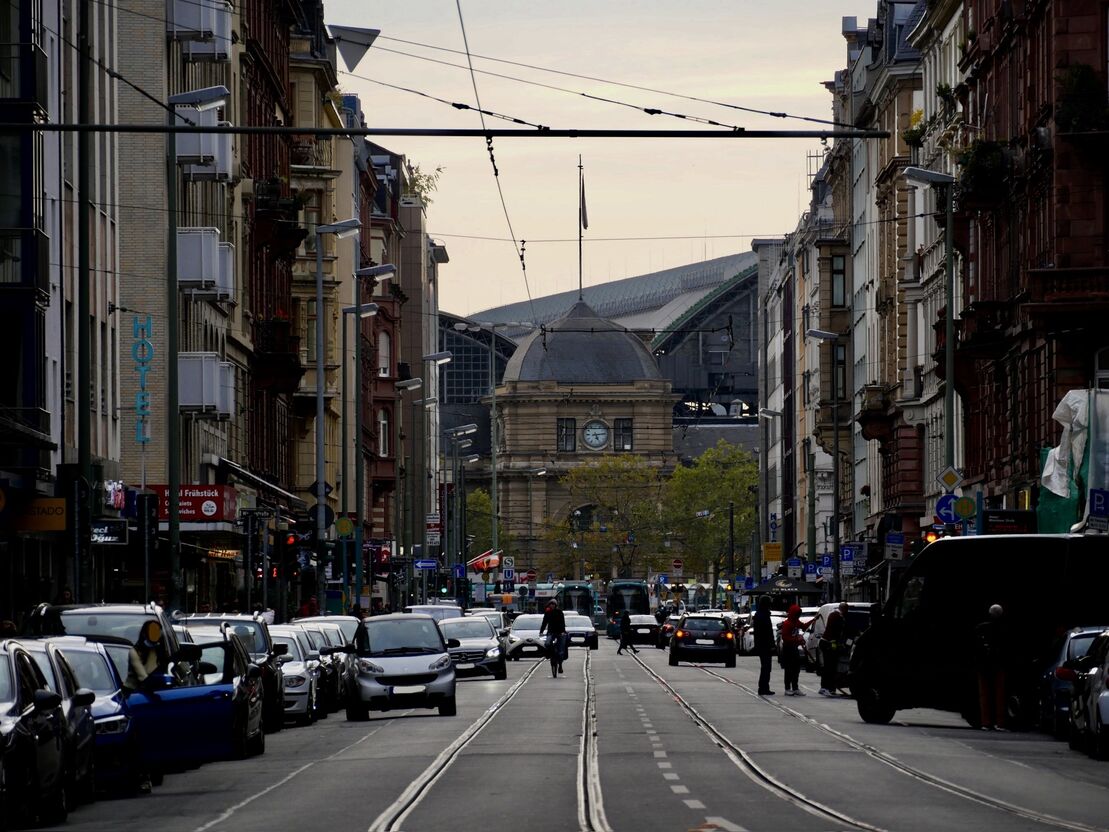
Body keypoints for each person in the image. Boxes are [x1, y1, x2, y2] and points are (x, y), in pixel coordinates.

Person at [974, 603, 1010, 731]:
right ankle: (999, 723)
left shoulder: (981, 628)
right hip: (999, 665)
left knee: (984, 695)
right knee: (1000, 695)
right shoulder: (1004, 629)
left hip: (983, 665)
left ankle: (986, 722)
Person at [124, 620, 168, 691]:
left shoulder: (162, 650)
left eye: (158, 631)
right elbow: (142, 677)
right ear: (145, 633)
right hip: (134, 692)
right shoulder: (135, 651)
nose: (155, 634)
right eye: (152, 631)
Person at [819, 602, 849, 696]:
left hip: (828, 643)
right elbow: (835, 631)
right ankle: (825, 687)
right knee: (829, 667)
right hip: (828, 643)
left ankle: (829, 687)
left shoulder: (835, 615)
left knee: (830, 666)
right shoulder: (836, 616)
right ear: (844, 609)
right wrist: (836, 643)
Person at [778, 603, 809, 696]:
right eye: (797, 614)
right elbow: (785, 637)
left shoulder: (796, 622)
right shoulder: (787, 624)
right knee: (789, 669)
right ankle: (787, 688)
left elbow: (804, 627)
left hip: (794, 648)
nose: (798, 616)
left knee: (796, 668)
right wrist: (797, 639)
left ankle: (795, 687)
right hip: (788, 648)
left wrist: (814, 620)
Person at [753, 595, 775, 695]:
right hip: (764, 645)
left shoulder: (760, 614)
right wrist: (771, 644)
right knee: (766, 667)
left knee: (766, 667)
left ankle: (764, 687)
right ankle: (763, 687)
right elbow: (767, 632)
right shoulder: (763, 615)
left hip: (762, 644)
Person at [539, 599, 567, 674]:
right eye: (551, 604)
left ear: (555, 605)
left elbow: (562, 622)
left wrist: (563, 631)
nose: (552, 606)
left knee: (561, 651)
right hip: (551, 632)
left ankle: (560, 665)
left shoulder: (559, 612)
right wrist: (541, 631)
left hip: (560, 632)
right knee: (547, 643)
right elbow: (544, 622)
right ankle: (550, 654)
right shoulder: (547, 612)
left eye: (553, 604)